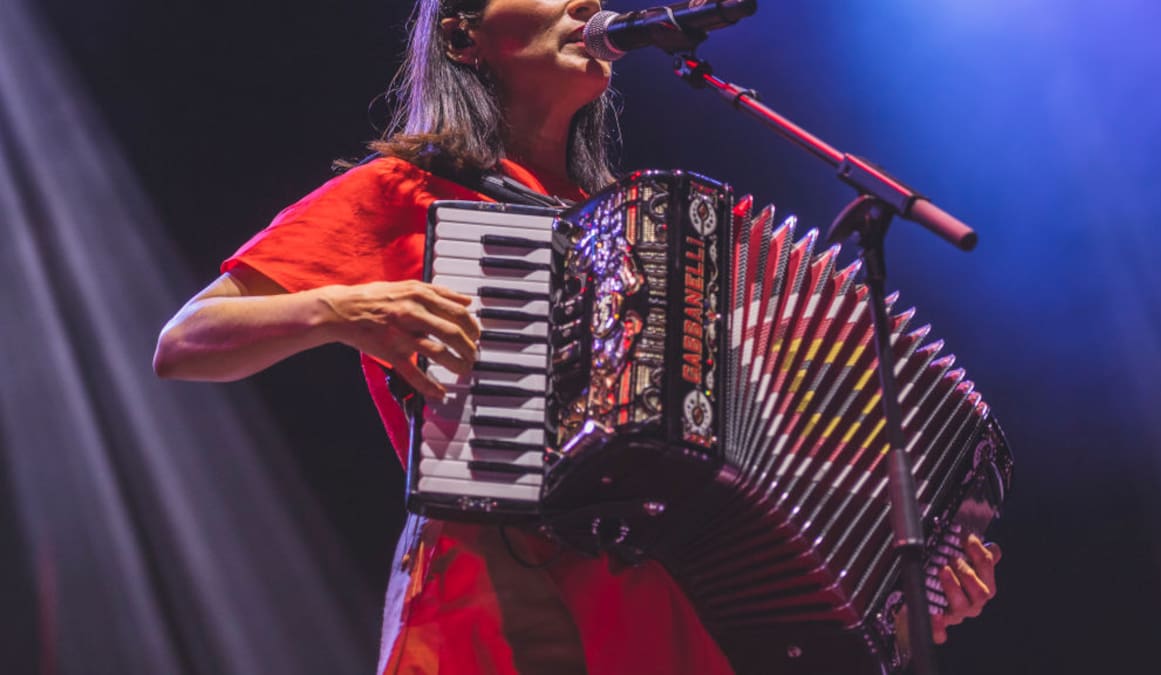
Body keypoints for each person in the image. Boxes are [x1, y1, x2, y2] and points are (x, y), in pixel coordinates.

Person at [154, 1, 1002, 672]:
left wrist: (909, 589)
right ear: (464, 36)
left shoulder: (646, 238)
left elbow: (774, 463)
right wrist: (343, 311)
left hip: (675, 617)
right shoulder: (405, 192)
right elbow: (189, 340)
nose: (587, 1)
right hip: (504, 606)